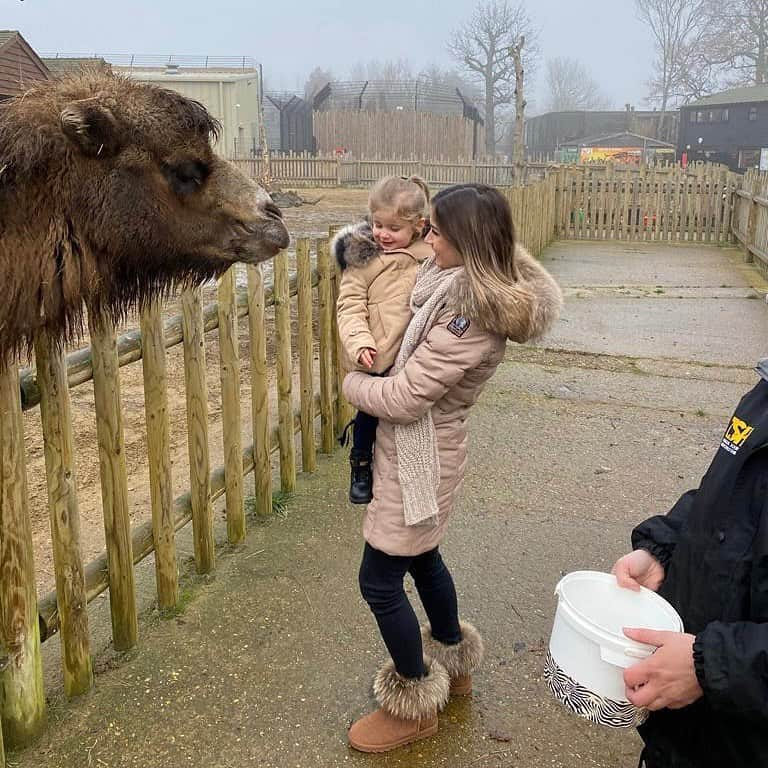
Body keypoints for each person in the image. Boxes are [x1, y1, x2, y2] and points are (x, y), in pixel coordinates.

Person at [341, 184, 563, 752]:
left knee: (379, 580)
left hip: (420, 453)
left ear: (463, 240)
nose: (426, 238)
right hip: (420, 450)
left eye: (436, 231)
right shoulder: (448, 282)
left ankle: (415, 703)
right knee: (422, 558)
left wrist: (351, 386)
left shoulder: (471, 314)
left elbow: (411, 396)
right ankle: (453, 663)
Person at [612, 358, 768, 768]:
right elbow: (725, 499)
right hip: (692, 730)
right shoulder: (763, 396)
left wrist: (710, 665)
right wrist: (665, 547)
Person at [333, 175, 432, 504]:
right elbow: (349, 305)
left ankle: (405, 469)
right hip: (374, 355)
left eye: (393, 228)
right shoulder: (363, 259)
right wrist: (360, 341)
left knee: (409, 415)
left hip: (414, 353)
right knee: (368, 413)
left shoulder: (430, 255)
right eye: (378, 225)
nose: (383, 235)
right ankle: (360, 462)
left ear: (418, 226)